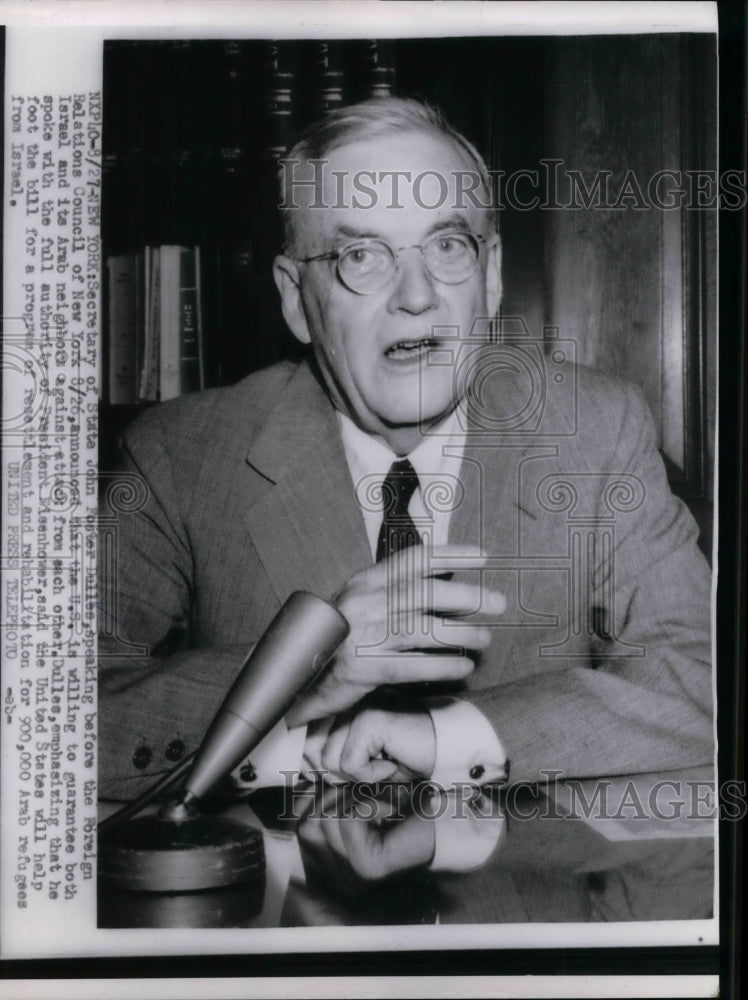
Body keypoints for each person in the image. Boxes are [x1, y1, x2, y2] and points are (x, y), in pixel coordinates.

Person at [98, 97, 713, 803]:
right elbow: (43, 713)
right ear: (297, 299)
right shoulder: (182, 456)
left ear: (490, 275)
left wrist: (454, 739)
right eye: (361, 255)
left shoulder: (595, 429)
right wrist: (304, 673)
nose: (416, 295)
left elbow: (697, 675)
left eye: (447, 246)